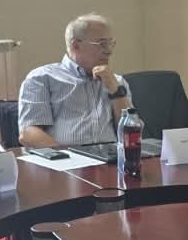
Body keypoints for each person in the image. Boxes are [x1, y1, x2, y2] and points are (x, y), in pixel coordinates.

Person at [19, 14, 131, 148]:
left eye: (111, 44)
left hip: (111, 156)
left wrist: (116, 91)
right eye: (102, 44)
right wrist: (67, 156)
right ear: (76, 45)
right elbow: (29, 134)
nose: (109, 51)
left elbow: (132, 133)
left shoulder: (116, 81)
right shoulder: (42, 78)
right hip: (65, 157)